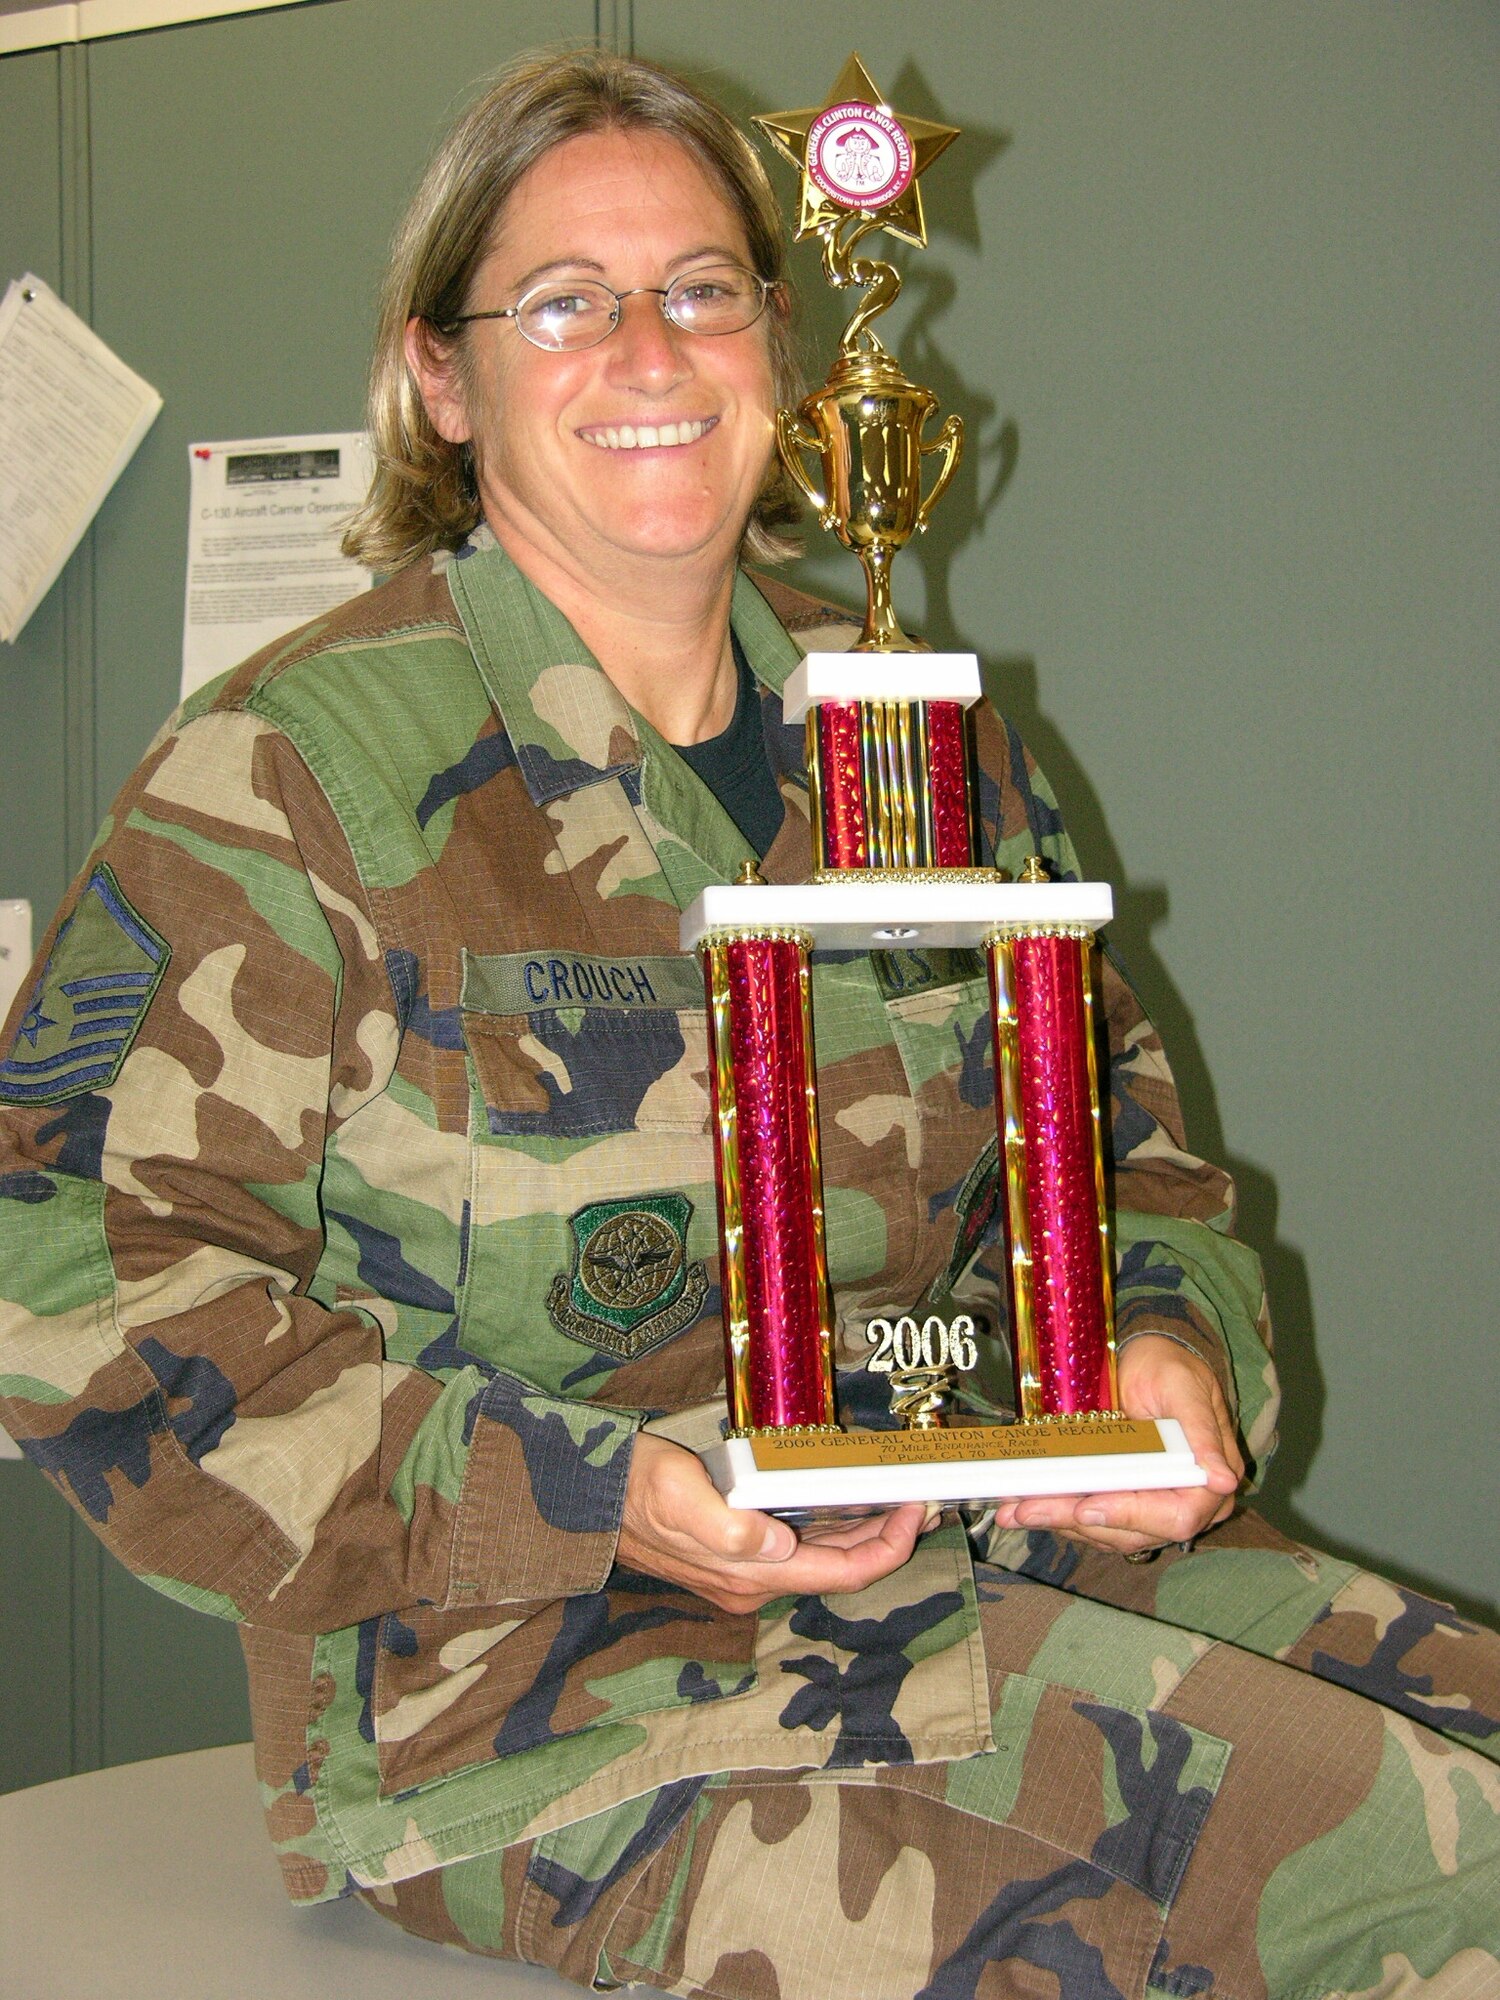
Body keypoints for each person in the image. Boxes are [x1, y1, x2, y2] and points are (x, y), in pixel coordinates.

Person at [0, 47, 1496, 1999]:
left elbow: (1130, 1156)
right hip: (547, 1690)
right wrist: (602, 1490)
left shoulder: (918, 749)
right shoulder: (293, 778)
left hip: (986, 1556)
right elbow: (66, 1295)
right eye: (565, 299)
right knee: (1432, 1886)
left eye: (701, 286)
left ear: (776, 342)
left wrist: (1167, 1350)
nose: (647, 346)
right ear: (442, 379)